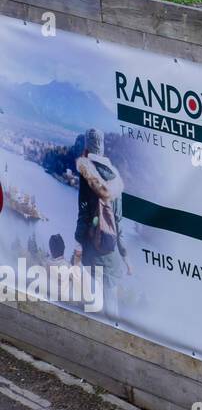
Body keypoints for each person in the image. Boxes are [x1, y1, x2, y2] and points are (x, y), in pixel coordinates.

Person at [74, 129, 129, 318]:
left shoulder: (87, 174)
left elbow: (83, 213)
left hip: (93, 249)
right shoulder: (115, 178)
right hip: (111, 250)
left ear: (87, 147)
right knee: (111, 301)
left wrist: (78, 242)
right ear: (102, 147)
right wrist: (124, 253)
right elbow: (119, 221)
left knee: (94, 302)